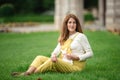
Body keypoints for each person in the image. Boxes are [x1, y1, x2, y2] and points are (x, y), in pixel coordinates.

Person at [12, 14, 93, 76]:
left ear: (77, 24)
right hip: (64, 62)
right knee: (39, 57)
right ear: (66, 24)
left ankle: (30, 74)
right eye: (70, 22)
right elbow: (55, 51)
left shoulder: (81, 36)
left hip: (75, 66)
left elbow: (90, 53)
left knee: (52, 61)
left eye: (74, 22)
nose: (72, 25)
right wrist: (53, 55)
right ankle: (28, 72)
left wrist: (77, 57)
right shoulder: (64, 37)